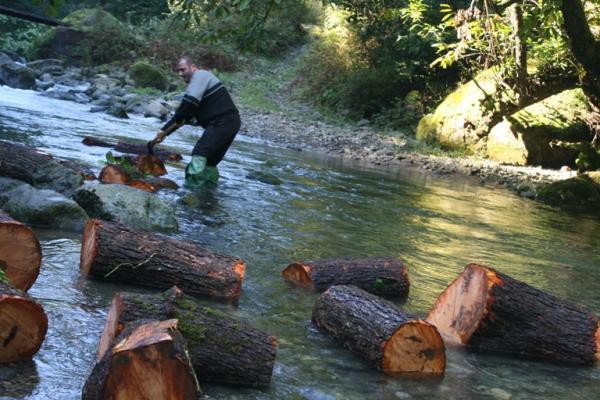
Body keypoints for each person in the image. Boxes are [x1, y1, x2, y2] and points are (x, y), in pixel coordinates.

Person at [150, 56, 240, 188]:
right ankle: (208, 195)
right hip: (232, 123)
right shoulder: (199, 89)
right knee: (210, 162)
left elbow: (186, 106)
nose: (180, 74)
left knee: (200, 152)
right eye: (178, 71)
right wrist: (164, 132)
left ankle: (191, 192)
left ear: (193, 67)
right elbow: (183, 118)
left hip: (221, 122)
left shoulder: (200, 76)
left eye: (183, 69)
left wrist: (164, 131)